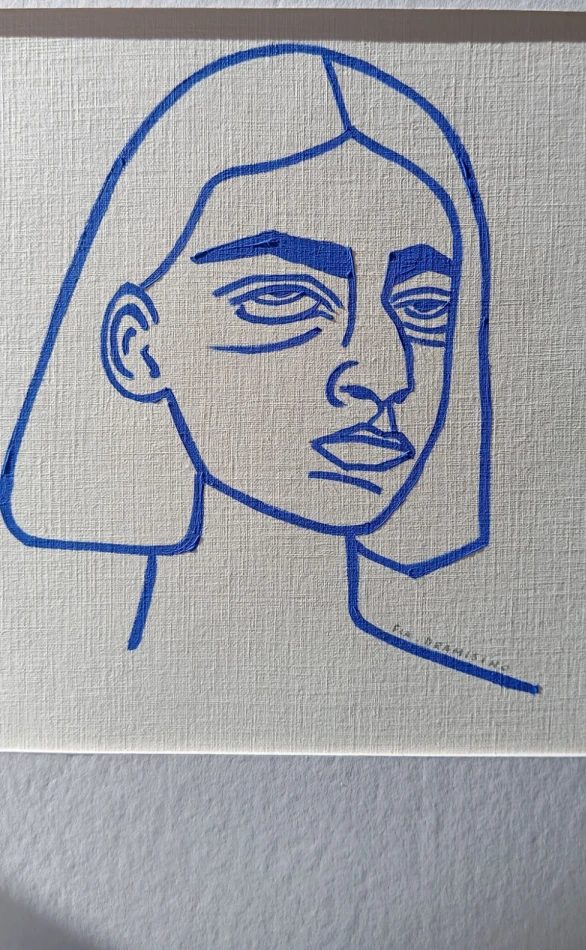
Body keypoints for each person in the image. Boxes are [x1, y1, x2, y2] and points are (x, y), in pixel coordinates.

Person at [0, 44, 536, 693]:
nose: (385, 373)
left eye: (424, 306)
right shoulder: (64, 697)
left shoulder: (483, 716)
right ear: (137, 348)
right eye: (282, 297)